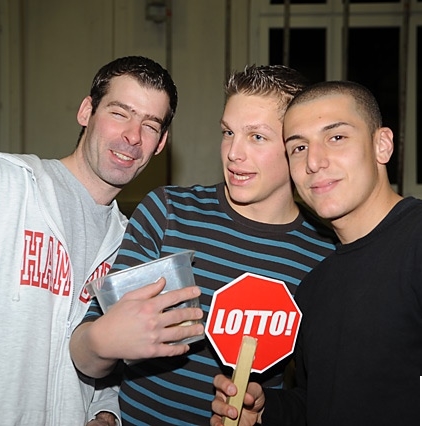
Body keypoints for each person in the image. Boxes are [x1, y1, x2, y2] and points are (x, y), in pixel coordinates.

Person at [211, 80, 422, 426]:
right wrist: (267, 411)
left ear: (382, 145)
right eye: (299, 147)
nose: (314, 162)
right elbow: (325, 401)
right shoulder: (316, 284)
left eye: (336, 137)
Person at [0, 56, 205, 426]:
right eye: (119, 113)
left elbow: (110, 356)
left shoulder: (132, 243)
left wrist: (105, 410)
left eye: (150, 125)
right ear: (86, 111)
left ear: (161, 143)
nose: (132, 136)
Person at [69, 64, 338, 425]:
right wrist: (102, 341)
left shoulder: (324, 253)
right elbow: (85, 353)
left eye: (257, 137)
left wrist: (265, 410)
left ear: (296, 147)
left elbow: (320, 394)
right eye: (228, 132)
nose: (233, 153)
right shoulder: (168, 212)